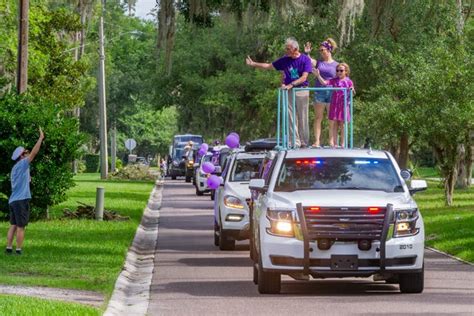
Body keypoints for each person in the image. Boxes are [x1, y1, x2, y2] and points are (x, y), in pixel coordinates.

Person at [246, 37, 312, 147]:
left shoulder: (305, 59)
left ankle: (304, 141)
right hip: (289, 92)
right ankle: (295, 142)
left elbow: (304, 77)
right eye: (286, 49)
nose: (286, 51)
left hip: (301, 90)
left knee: (303, 116)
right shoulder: (285, 59)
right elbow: (268, 66)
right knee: (291, 117)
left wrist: (291, 85)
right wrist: (253, 64)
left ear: (295, 49)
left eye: (288, 49)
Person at [5, 128, 44, 255]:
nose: (28, 153)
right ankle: (18, 250)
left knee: (13, 225)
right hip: (21, 201)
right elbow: (34, 153)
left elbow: (24, 179)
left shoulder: (15, 168)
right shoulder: (22, 164)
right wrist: (40, 138)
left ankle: (9, 248)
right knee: (21, 227)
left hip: (13, 200)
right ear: (21, 156)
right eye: (25, 152)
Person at [304, 38, 339, 147]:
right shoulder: (318, 62)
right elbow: (309, 61)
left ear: (329, 50)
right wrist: (307, 53)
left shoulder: (336, 65)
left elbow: (341, 78)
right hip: (319, 92)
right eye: (319, 50)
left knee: (331, 118)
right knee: (318, 117)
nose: (320, 52)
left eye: (322, 50)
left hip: (332, 92)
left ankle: (331, 141)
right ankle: (317, 141)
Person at [313, 63, 354, 147]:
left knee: (342, 124)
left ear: (346, 71)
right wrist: (318, 75)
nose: (339, 72)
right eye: (337, 70)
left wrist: (351, 90)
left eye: (341, 70)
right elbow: (324, 83)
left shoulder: (348, 81)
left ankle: (343, 143)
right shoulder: (334, 80)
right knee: (334, 123)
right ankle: (334, 143)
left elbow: (352, 91)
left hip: (343, 104)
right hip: (334, 104)